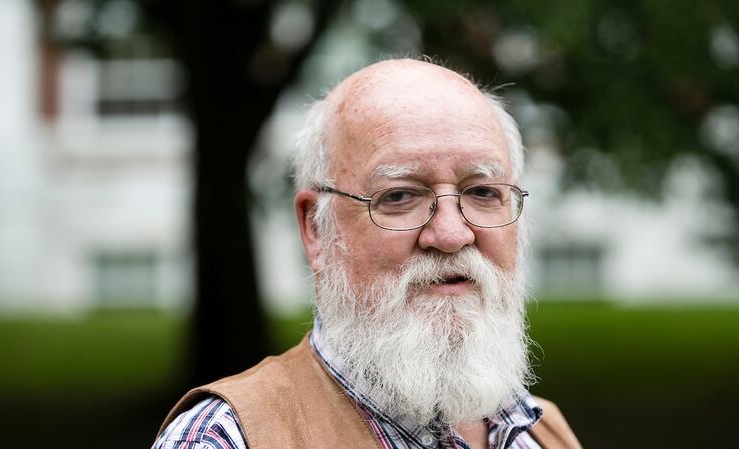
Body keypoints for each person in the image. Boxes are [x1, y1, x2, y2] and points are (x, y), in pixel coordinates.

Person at [152, 58, 582, 449]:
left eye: (484, 192)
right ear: (316, 228)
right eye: (398, 196)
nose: (451, 234)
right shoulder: (225, 439)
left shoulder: (542, 435)